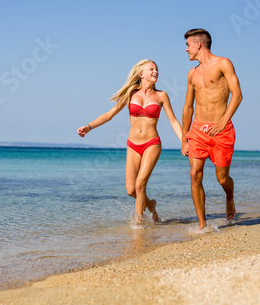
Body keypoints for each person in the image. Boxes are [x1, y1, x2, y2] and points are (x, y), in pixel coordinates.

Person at [77, 59, 182, 225]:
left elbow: (174, 121)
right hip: (133, 145)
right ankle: (151, 206)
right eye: (151, 69)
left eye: (156, 69)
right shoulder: (131, 94)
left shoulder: (161, 96)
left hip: (152, 143)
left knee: (140, 184)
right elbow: (109, 114)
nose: (155, 72)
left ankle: (138, 224)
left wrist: (184, 141)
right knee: (131, 190)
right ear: (141, 74)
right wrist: (89, 127)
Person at [181, 29, 243, 230]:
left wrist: (224, 121)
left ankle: (230, 196)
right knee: (194, 174)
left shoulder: (223, 63)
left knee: (222, 178)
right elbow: (188, 107)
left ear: (198, 44)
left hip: (221, 130)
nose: (186, 50)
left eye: (188, 45)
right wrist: (184, 138)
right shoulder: (192, 73)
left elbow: (237, 95)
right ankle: (202, 224)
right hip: (198, 130)